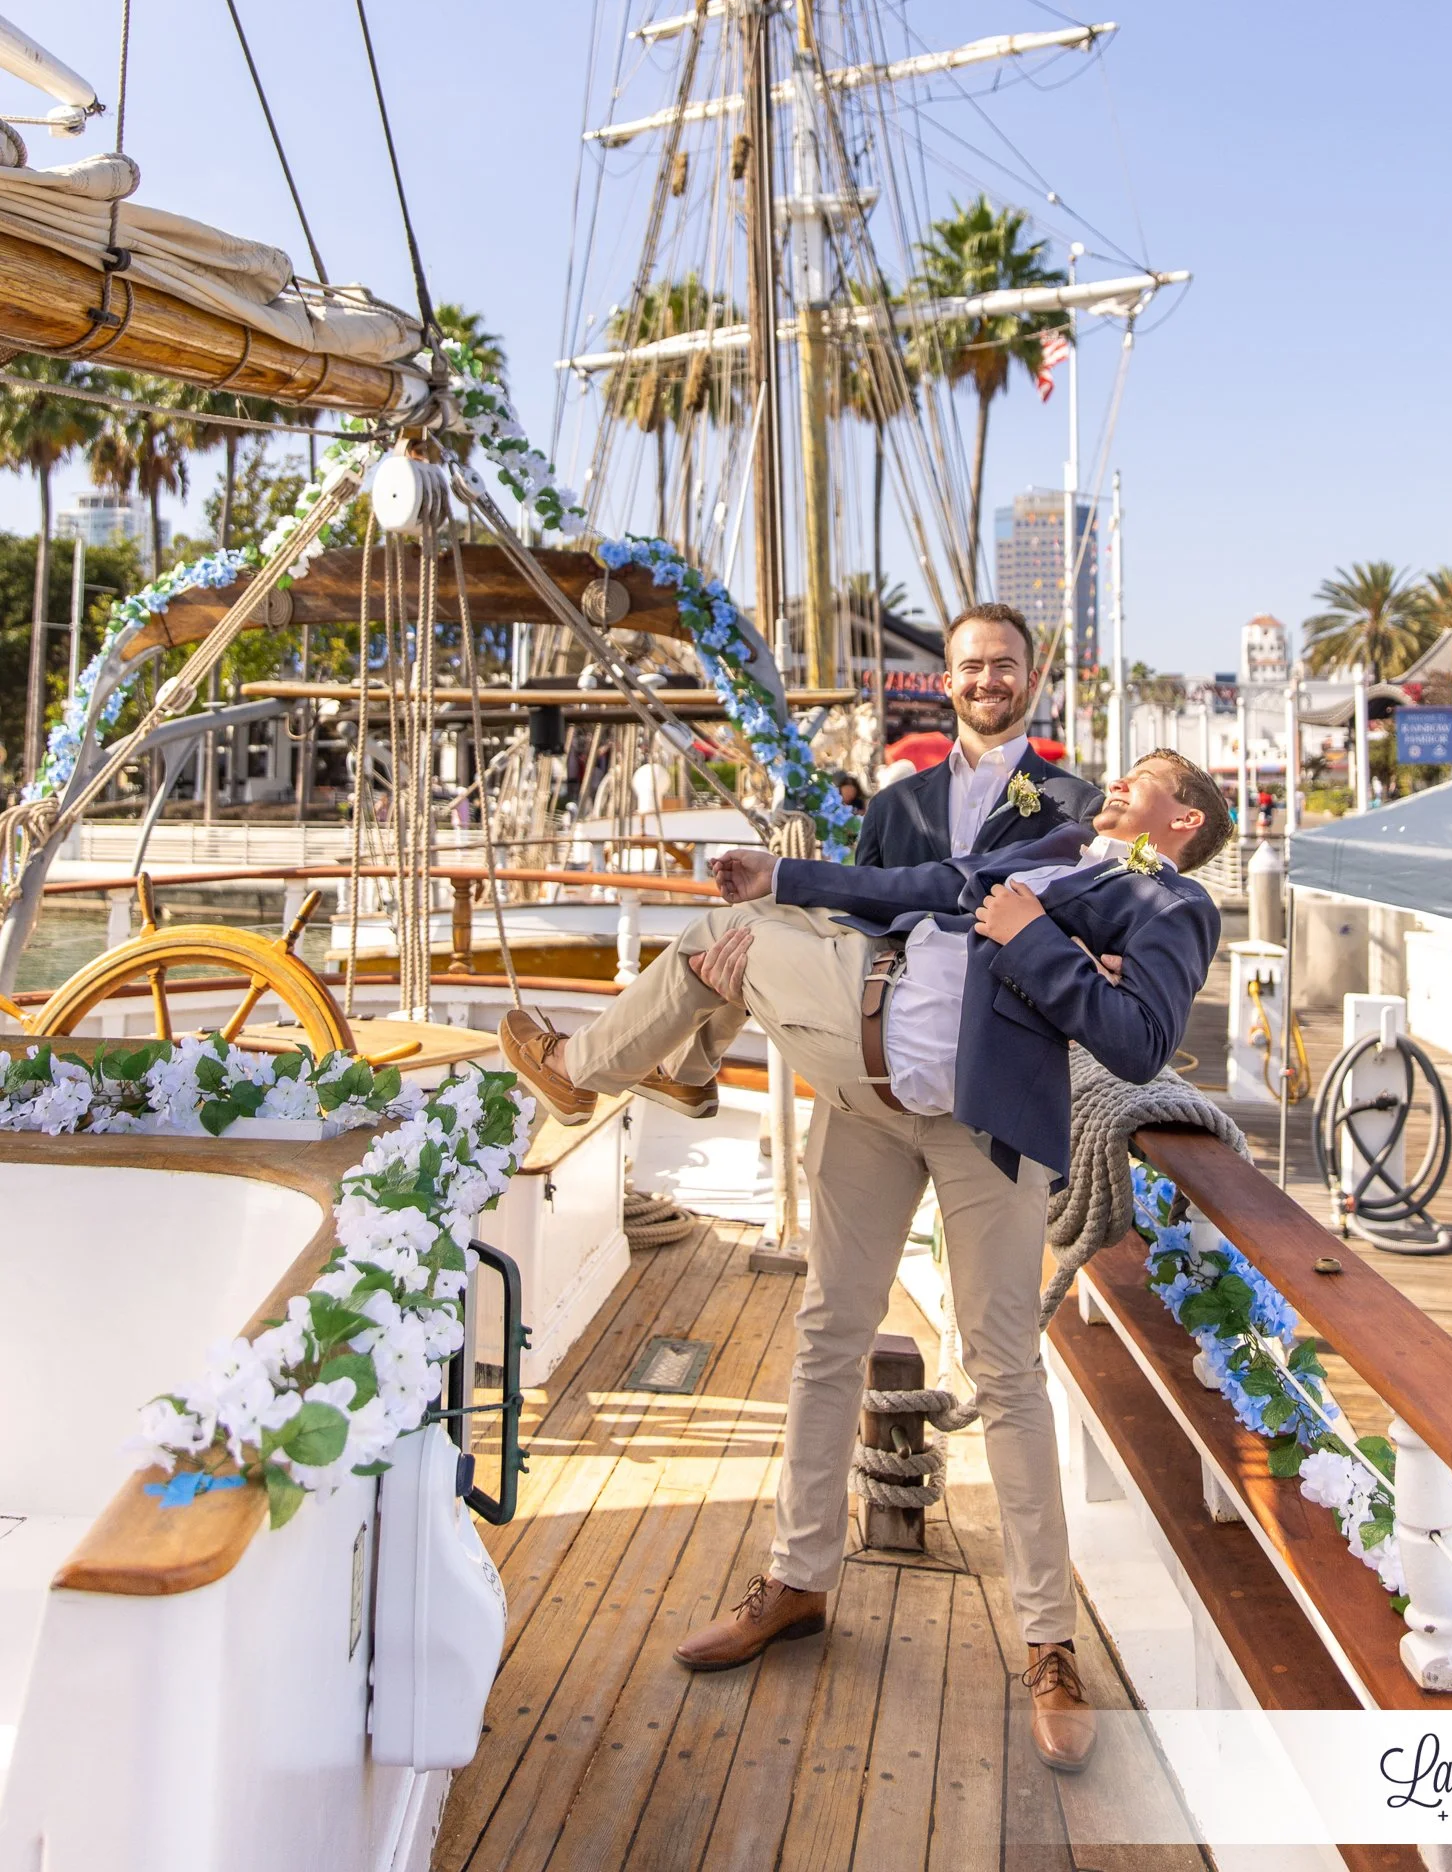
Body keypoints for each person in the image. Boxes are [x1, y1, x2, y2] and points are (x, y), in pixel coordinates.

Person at [499, 749, 1230, 1773]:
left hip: (984, 1129)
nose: (1118, 782)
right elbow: (923, 886)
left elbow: (1139, 1040)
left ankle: (1049, 1647)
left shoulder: (1171, 904)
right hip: (863, 1103)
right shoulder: (1056, 845)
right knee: (826, 1337)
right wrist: (785, 877)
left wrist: (1032, 938)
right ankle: (795, 1582)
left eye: (1145, 778)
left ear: (1183, 820)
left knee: (1004, 1372)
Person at [857, 605, 1101, 867]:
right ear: (949, 683)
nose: (987, 680)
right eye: (971, 667)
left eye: (1004, 665)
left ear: (1031, 682)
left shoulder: (1082, 807)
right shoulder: (888, 809)